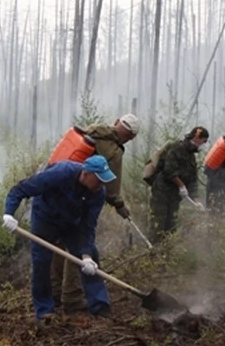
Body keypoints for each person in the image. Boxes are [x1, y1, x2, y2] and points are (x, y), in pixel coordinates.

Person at [2, 155, 115, 325]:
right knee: (41, 262)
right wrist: (9, 213)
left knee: (92, 256)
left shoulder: (98, 193)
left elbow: (88, 226)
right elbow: (21, 189)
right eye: (99, 180)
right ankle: (44, 311)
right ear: (86, 174)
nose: (102, 185)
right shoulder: (60, 173)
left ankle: (99, 306)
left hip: (71, 224)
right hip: (45, 219)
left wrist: (85, 256)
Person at [51, 113, 140, 313]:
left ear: (117, 122)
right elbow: (110, 187)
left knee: (57, 243)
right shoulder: (114, 151)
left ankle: (54, 293)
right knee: (78, 245)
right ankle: (71, 298)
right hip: (80, 199)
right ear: (132, 137)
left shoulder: (92, 131)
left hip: (59, 191)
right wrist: (120, 205)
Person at [149, 126, 209, 241]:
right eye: (204, 141)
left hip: (174, 197)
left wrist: (196, 201)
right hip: (162, 193)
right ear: (196, 138)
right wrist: (181, 185)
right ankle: (153, 254)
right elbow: (169, 170)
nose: (204, 144)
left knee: (171, 226)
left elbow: (193, 180)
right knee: (158, 224)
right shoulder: (177, 148)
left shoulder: (191, 156)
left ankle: (166, 253)